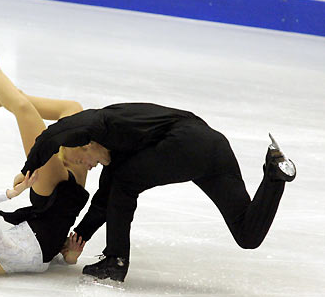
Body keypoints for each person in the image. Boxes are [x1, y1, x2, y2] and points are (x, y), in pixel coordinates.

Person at [18, 103, 297, 282]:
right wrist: (79, 236)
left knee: (125, 184)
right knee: (248, 235)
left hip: (188, 141)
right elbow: (104, 203)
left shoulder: (100, 124)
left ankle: (116, 260)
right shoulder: (117, 162)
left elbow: (55, 133)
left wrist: (30, 166)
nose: (86, 167)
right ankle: (275, 174)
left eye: (80, 160)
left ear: (86, 144)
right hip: (214, 147)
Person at [0, 18, 92, 276]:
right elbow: (52, 259)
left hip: (48, 191)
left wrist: (11, 193)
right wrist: (70, 258)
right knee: (72, 110)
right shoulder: (20, 265)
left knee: (23, 110)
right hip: (70, 196)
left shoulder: (2, 247)